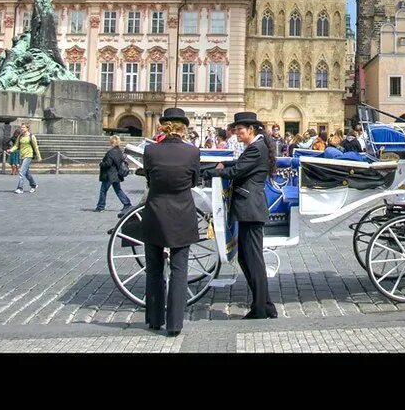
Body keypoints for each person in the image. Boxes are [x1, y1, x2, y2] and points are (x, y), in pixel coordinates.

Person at [207, 111, 278, 320]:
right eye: (235, 129)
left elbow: (237, 171)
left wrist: (211, 171)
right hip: (248, 208)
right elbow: (238, 165)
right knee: (246, 258)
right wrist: (224, 166)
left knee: (252, 259)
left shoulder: (256, 149)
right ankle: (265, 305)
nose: (236, 132)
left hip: (251, 208)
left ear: (251, 130)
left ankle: (261, 308)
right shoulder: (255, 147)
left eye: (239, 129)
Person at [140, 107, 201, 337]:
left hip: (155, 212)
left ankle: (154, 318)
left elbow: (148, 178)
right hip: (182, 214)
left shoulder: (150, 151)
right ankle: (174, 323)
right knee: (179, 269)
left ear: (163, 126)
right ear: (183, 128)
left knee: (154, 268)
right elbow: (194, 181)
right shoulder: (192, 153)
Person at [96, 136, 133, 212]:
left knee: (103, 190)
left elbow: (108, 164)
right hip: (117, 175)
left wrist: (101, 163)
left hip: (109, 175)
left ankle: (100, 206)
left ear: (112, 142)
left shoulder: (110, 152)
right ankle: (127, 204)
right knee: (118, 190)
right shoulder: (119, 151)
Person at [9, 124, 41, 193]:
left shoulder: (31, 136)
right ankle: (34, 185)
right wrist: (11, 150)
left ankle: (20, 188)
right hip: (22, 155)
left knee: (21, 172)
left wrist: (38, 156)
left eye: (23, 127)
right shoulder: (20, 136)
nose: (22, 128)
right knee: (27, 173)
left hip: (29, 155)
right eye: (21, 127)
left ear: (27, 128)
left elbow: (36, 147)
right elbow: (16, 145)